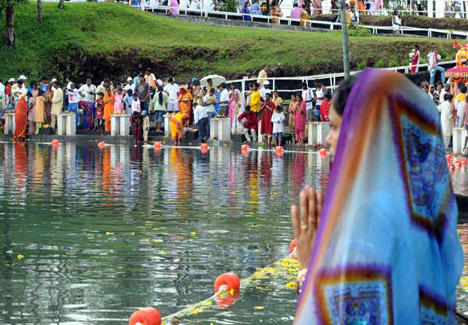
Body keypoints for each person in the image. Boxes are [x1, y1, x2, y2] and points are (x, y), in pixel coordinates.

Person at [292, 70, 463, 323]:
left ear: (365, 132)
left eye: (335, 127)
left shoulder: (369, 218)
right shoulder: (421, 213)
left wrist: (309, 268)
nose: (328, 139)